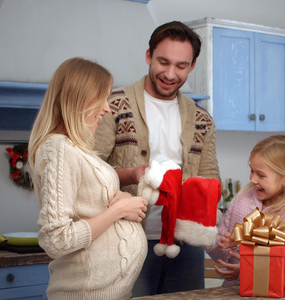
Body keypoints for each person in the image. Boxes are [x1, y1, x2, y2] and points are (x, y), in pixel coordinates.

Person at [94, 21, 220, 296]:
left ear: (192, 66)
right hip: (124, 240)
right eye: (163, 62)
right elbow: (88, 171)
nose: (171, 74)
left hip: (186, 243)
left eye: (181, 66)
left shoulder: (202, 119)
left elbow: (212, 178)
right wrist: (131, 174)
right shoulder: (113, 106)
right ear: (149, 56)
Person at [28, 57, 148, 300]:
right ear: (79, 98)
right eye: (102, 98)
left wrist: (121, 197)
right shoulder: (58, 149)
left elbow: (89, 203)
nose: (107, 108)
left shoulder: (75, 149)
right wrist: (119, 210)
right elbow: (57, 240)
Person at [206, 135, 285, 285]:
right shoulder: (242, 199)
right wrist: (225, 244)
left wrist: (247, 271)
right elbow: (220, 252)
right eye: (252, 171)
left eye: (261, 175)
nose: (253, 179)